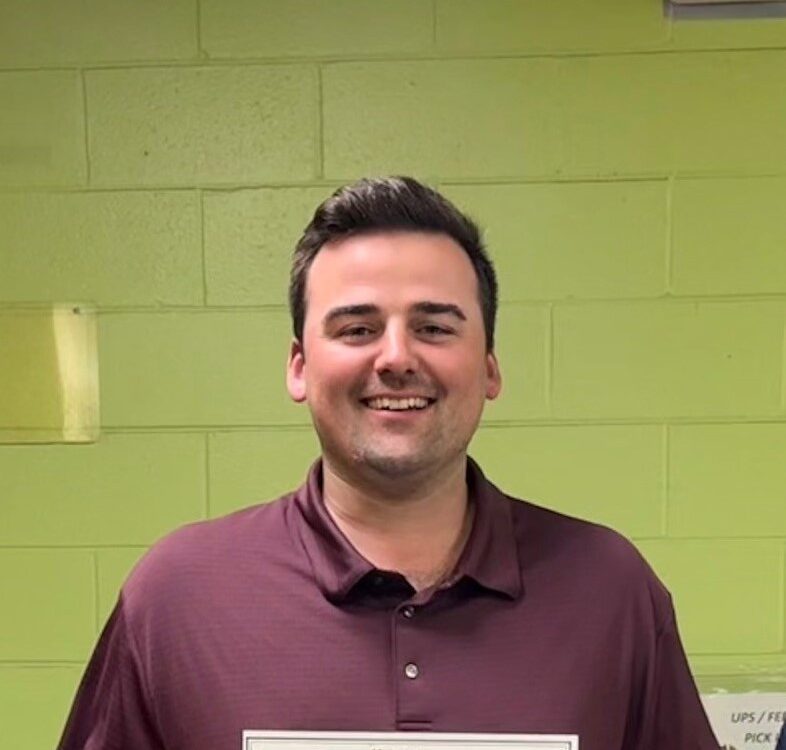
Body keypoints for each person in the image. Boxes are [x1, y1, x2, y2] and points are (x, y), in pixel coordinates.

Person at [57, 176, 720, 750]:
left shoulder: (611, 592)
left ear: (488, 367)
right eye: (357, 329)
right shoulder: (176, 597)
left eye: (435, 327)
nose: (396, 357)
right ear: (299, 367)